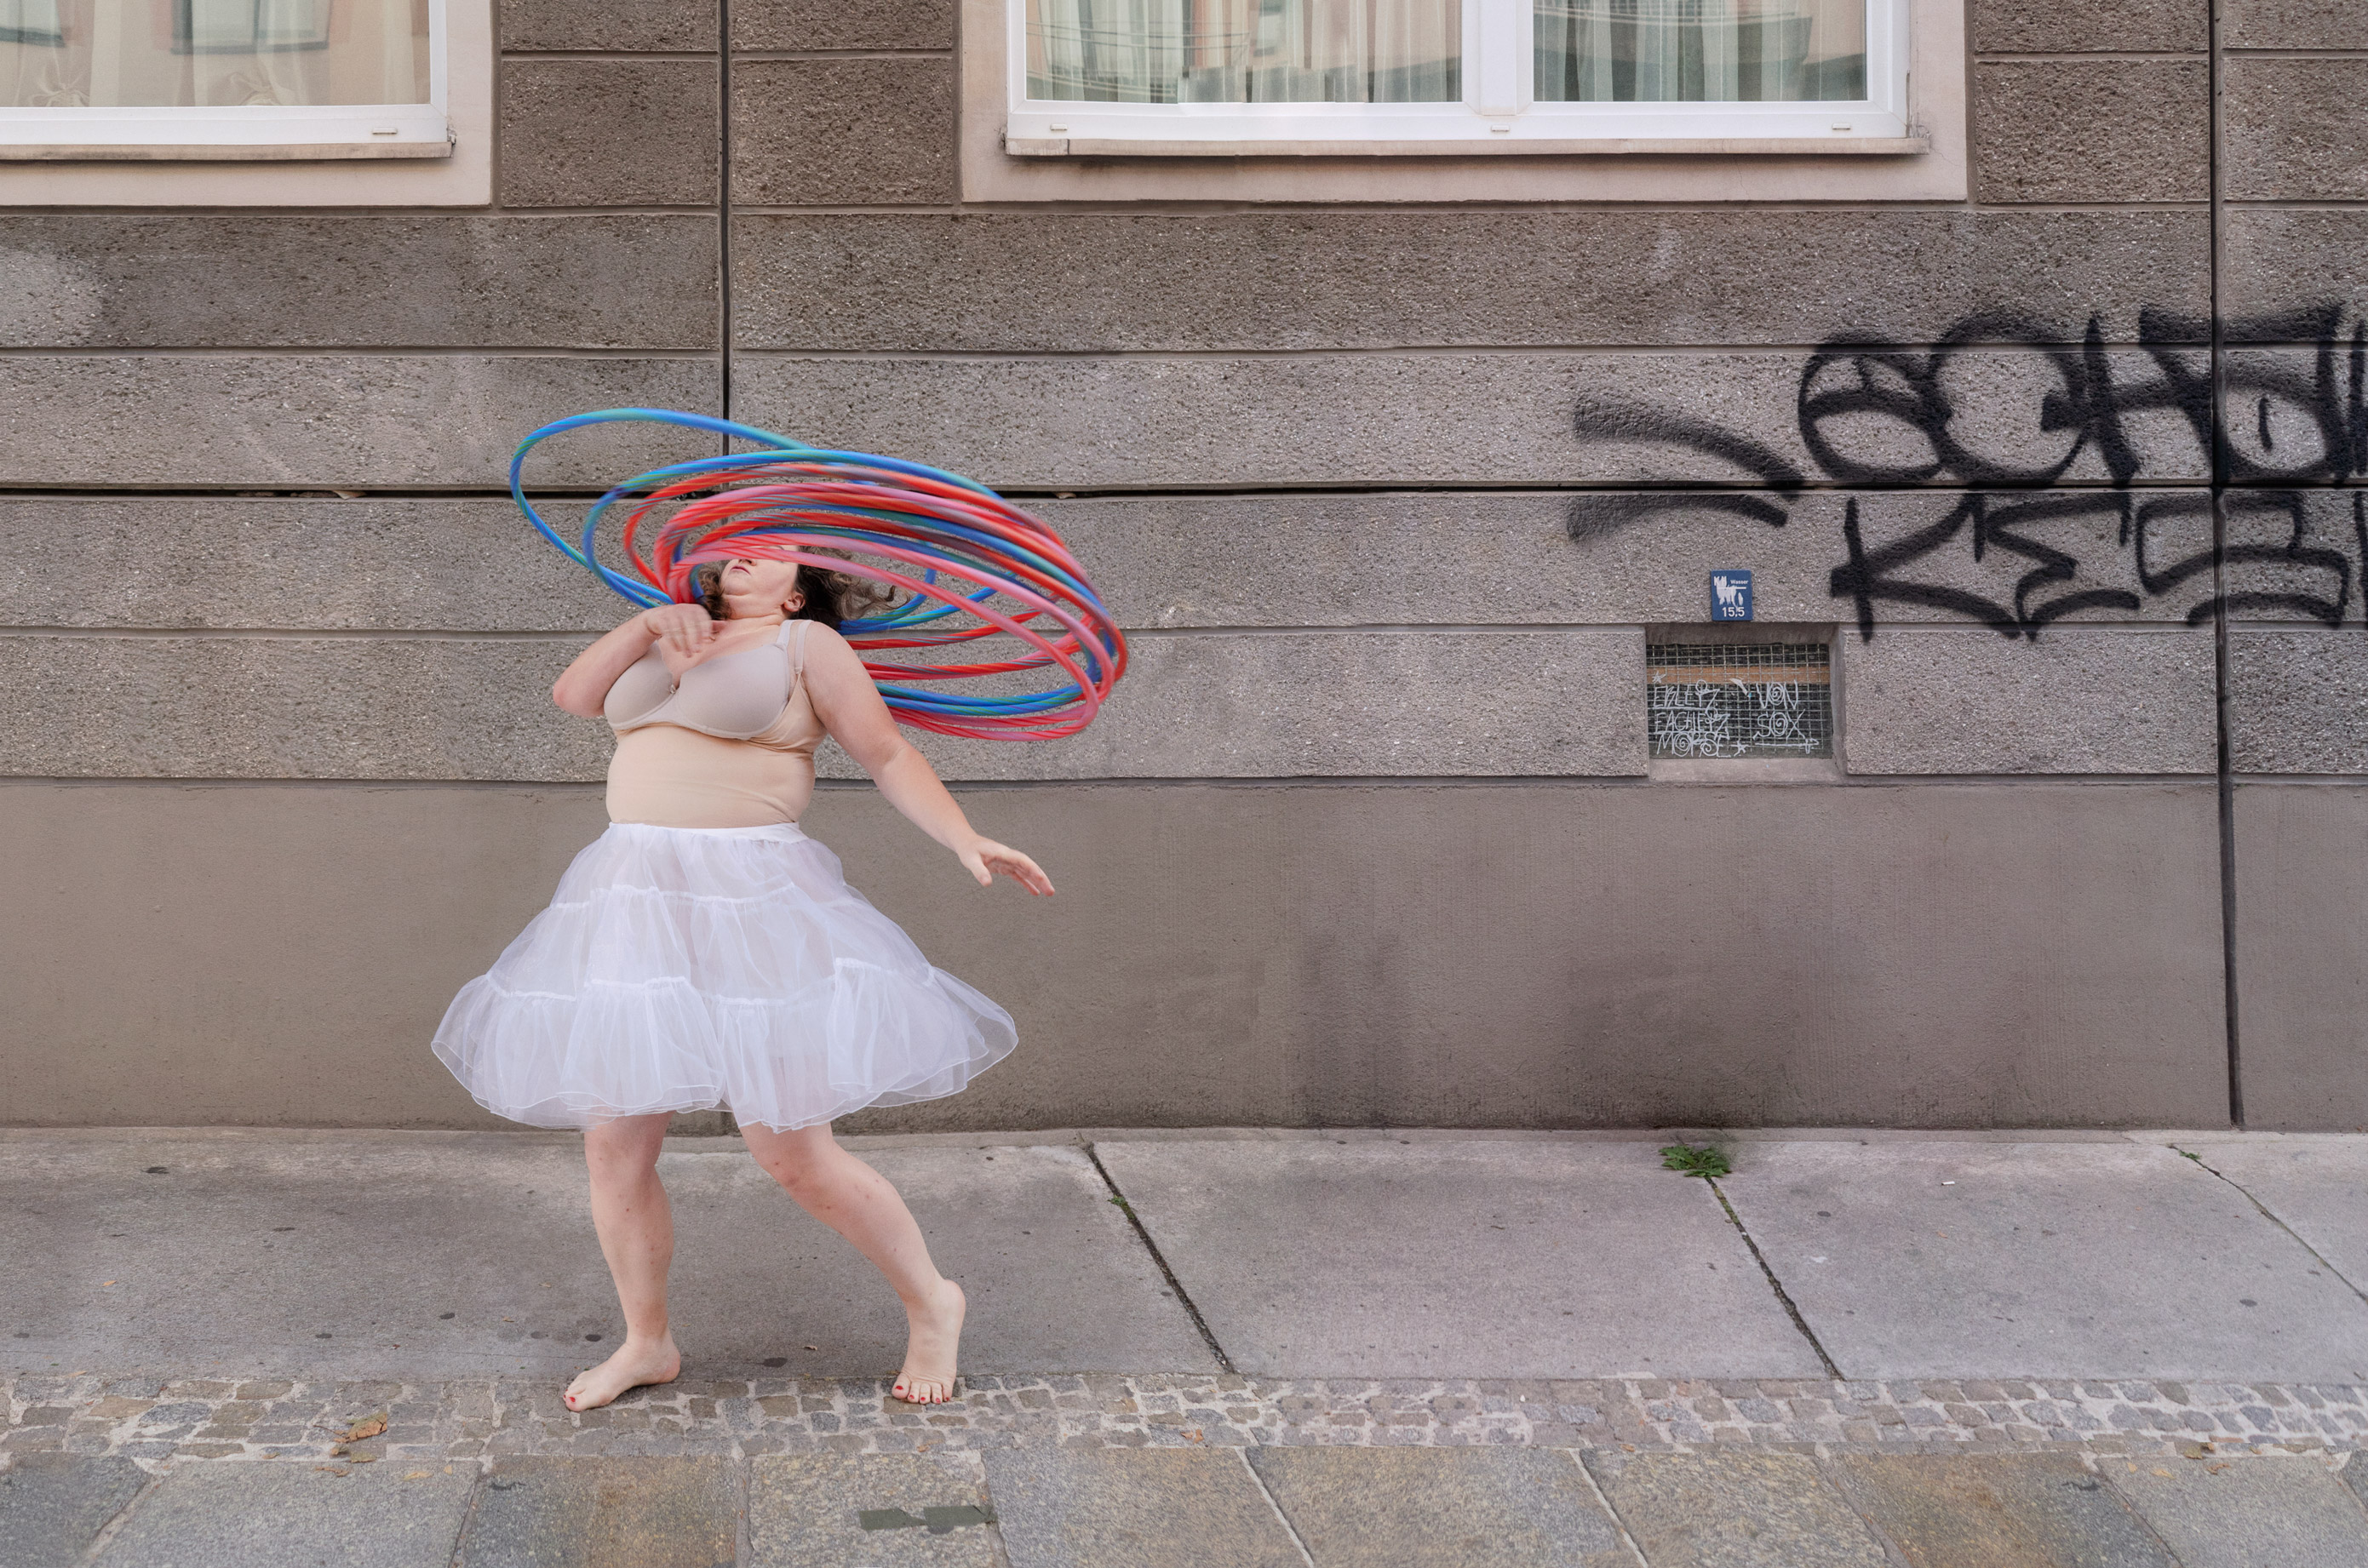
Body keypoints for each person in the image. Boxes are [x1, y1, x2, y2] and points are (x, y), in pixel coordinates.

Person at [432, 555, 1050, 1411]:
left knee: (791, 1153)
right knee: (613, 1145)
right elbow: (574, 696)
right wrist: (650, 624)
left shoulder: (806, 644)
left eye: (771, 543)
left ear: (796, 590)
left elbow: (886, 753)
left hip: (756, 907)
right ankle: (647, 1342)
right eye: (733, 540)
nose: (744, 549)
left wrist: (964, 837)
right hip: (633, 899)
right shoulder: (667, 628)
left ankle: (933, 1299)